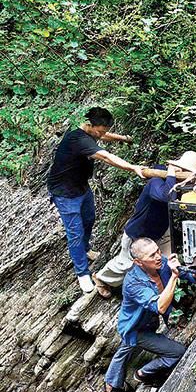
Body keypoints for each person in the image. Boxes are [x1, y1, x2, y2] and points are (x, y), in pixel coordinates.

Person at [47, 107, 146, 293]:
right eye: (100, 130)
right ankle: (82, 273)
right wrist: (133, 168)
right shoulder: (78, 139)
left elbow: (102, 136)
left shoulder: (89, 132)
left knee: (89, 219)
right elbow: (106, 157)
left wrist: (122, 139)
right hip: (65, 193)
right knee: (74, 232)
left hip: (81, 187)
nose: (103, 134)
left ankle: (85, 249)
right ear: (89, 125)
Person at [93, 151, 196, 298]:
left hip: (162, 231)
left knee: (168, 261)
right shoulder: (156, 180)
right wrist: (170, 174)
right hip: (139, 233)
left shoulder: (180, 184)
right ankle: (101, 278)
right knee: (125, 264)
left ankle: (169, 289)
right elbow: (165, 196)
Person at [103, 238, 196, 392]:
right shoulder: (133, 283)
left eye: (158, 251)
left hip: (148, 323)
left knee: (125, 350)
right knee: (176, 352)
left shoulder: (161, 263)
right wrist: (174, 276)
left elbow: (190, 275)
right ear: (138, 262)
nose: (158, 256)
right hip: (134, 327)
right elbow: (160, 307)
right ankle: (142, 374)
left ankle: (111, 385)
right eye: (152, 255)